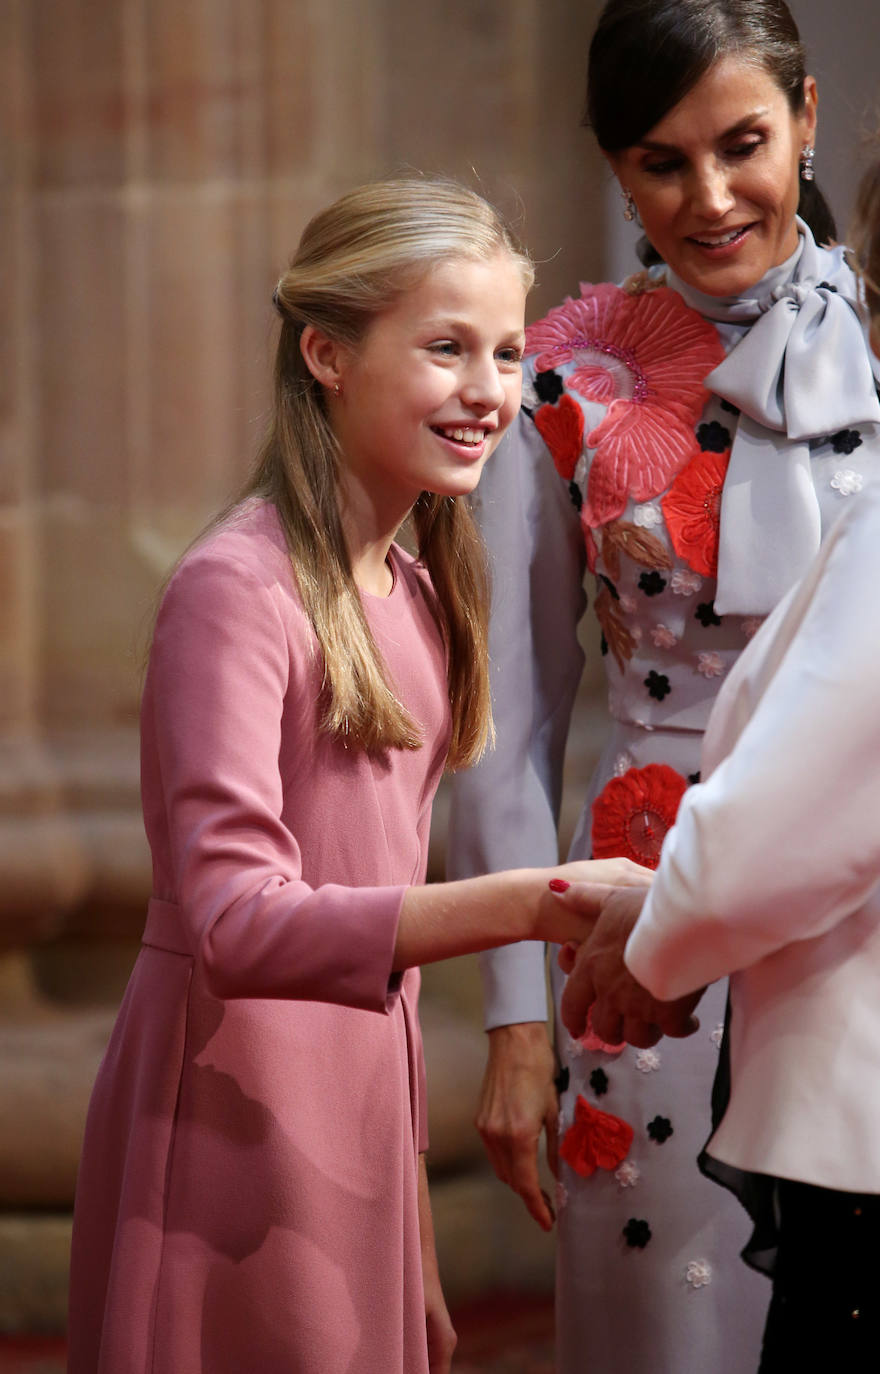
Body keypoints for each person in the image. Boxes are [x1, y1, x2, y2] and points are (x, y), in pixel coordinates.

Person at [65, 176, 647, 1374]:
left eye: (503, 352)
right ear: (327, 353)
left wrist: (408, 1226)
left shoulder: (423, 593)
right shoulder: (236, 589)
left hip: (355, 1125)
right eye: (444, 349)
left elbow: (377, 945)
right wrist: (537, 901)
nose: (488, 392)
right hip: (233, 1118)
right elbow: (234, 922)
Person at [446, 4, 880, 1371]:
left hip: (859, 912)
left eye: (743, 144)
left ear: (809, 119)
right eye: (658, 161)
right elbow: (501, 729)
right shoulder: (561, 385)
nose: (709, 198)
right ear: (612, 169)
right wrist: (521, 1015)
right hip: (638, 930)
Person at [555, 150, 880, 1370]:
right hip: (651, 849)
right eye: (658, 154)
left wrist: (655, 945)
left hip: (745, 922)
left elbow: (812, 799)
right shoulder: (568, 369)